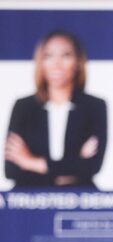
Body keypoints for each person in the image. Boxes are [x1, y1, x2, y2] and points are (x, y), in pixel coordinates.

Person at [4, 30, 107, 188]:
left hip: (77, 197)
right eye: (48, 56)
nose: (56, 63)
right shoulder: (24, 107)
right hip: (30, 197)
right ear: (40, 62)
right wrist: (73, 163)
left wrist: (31, 162)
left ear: (78, 62)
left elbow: (91, 167)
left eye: (66, 55)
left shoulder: (94, 107)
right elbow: (11, 170)